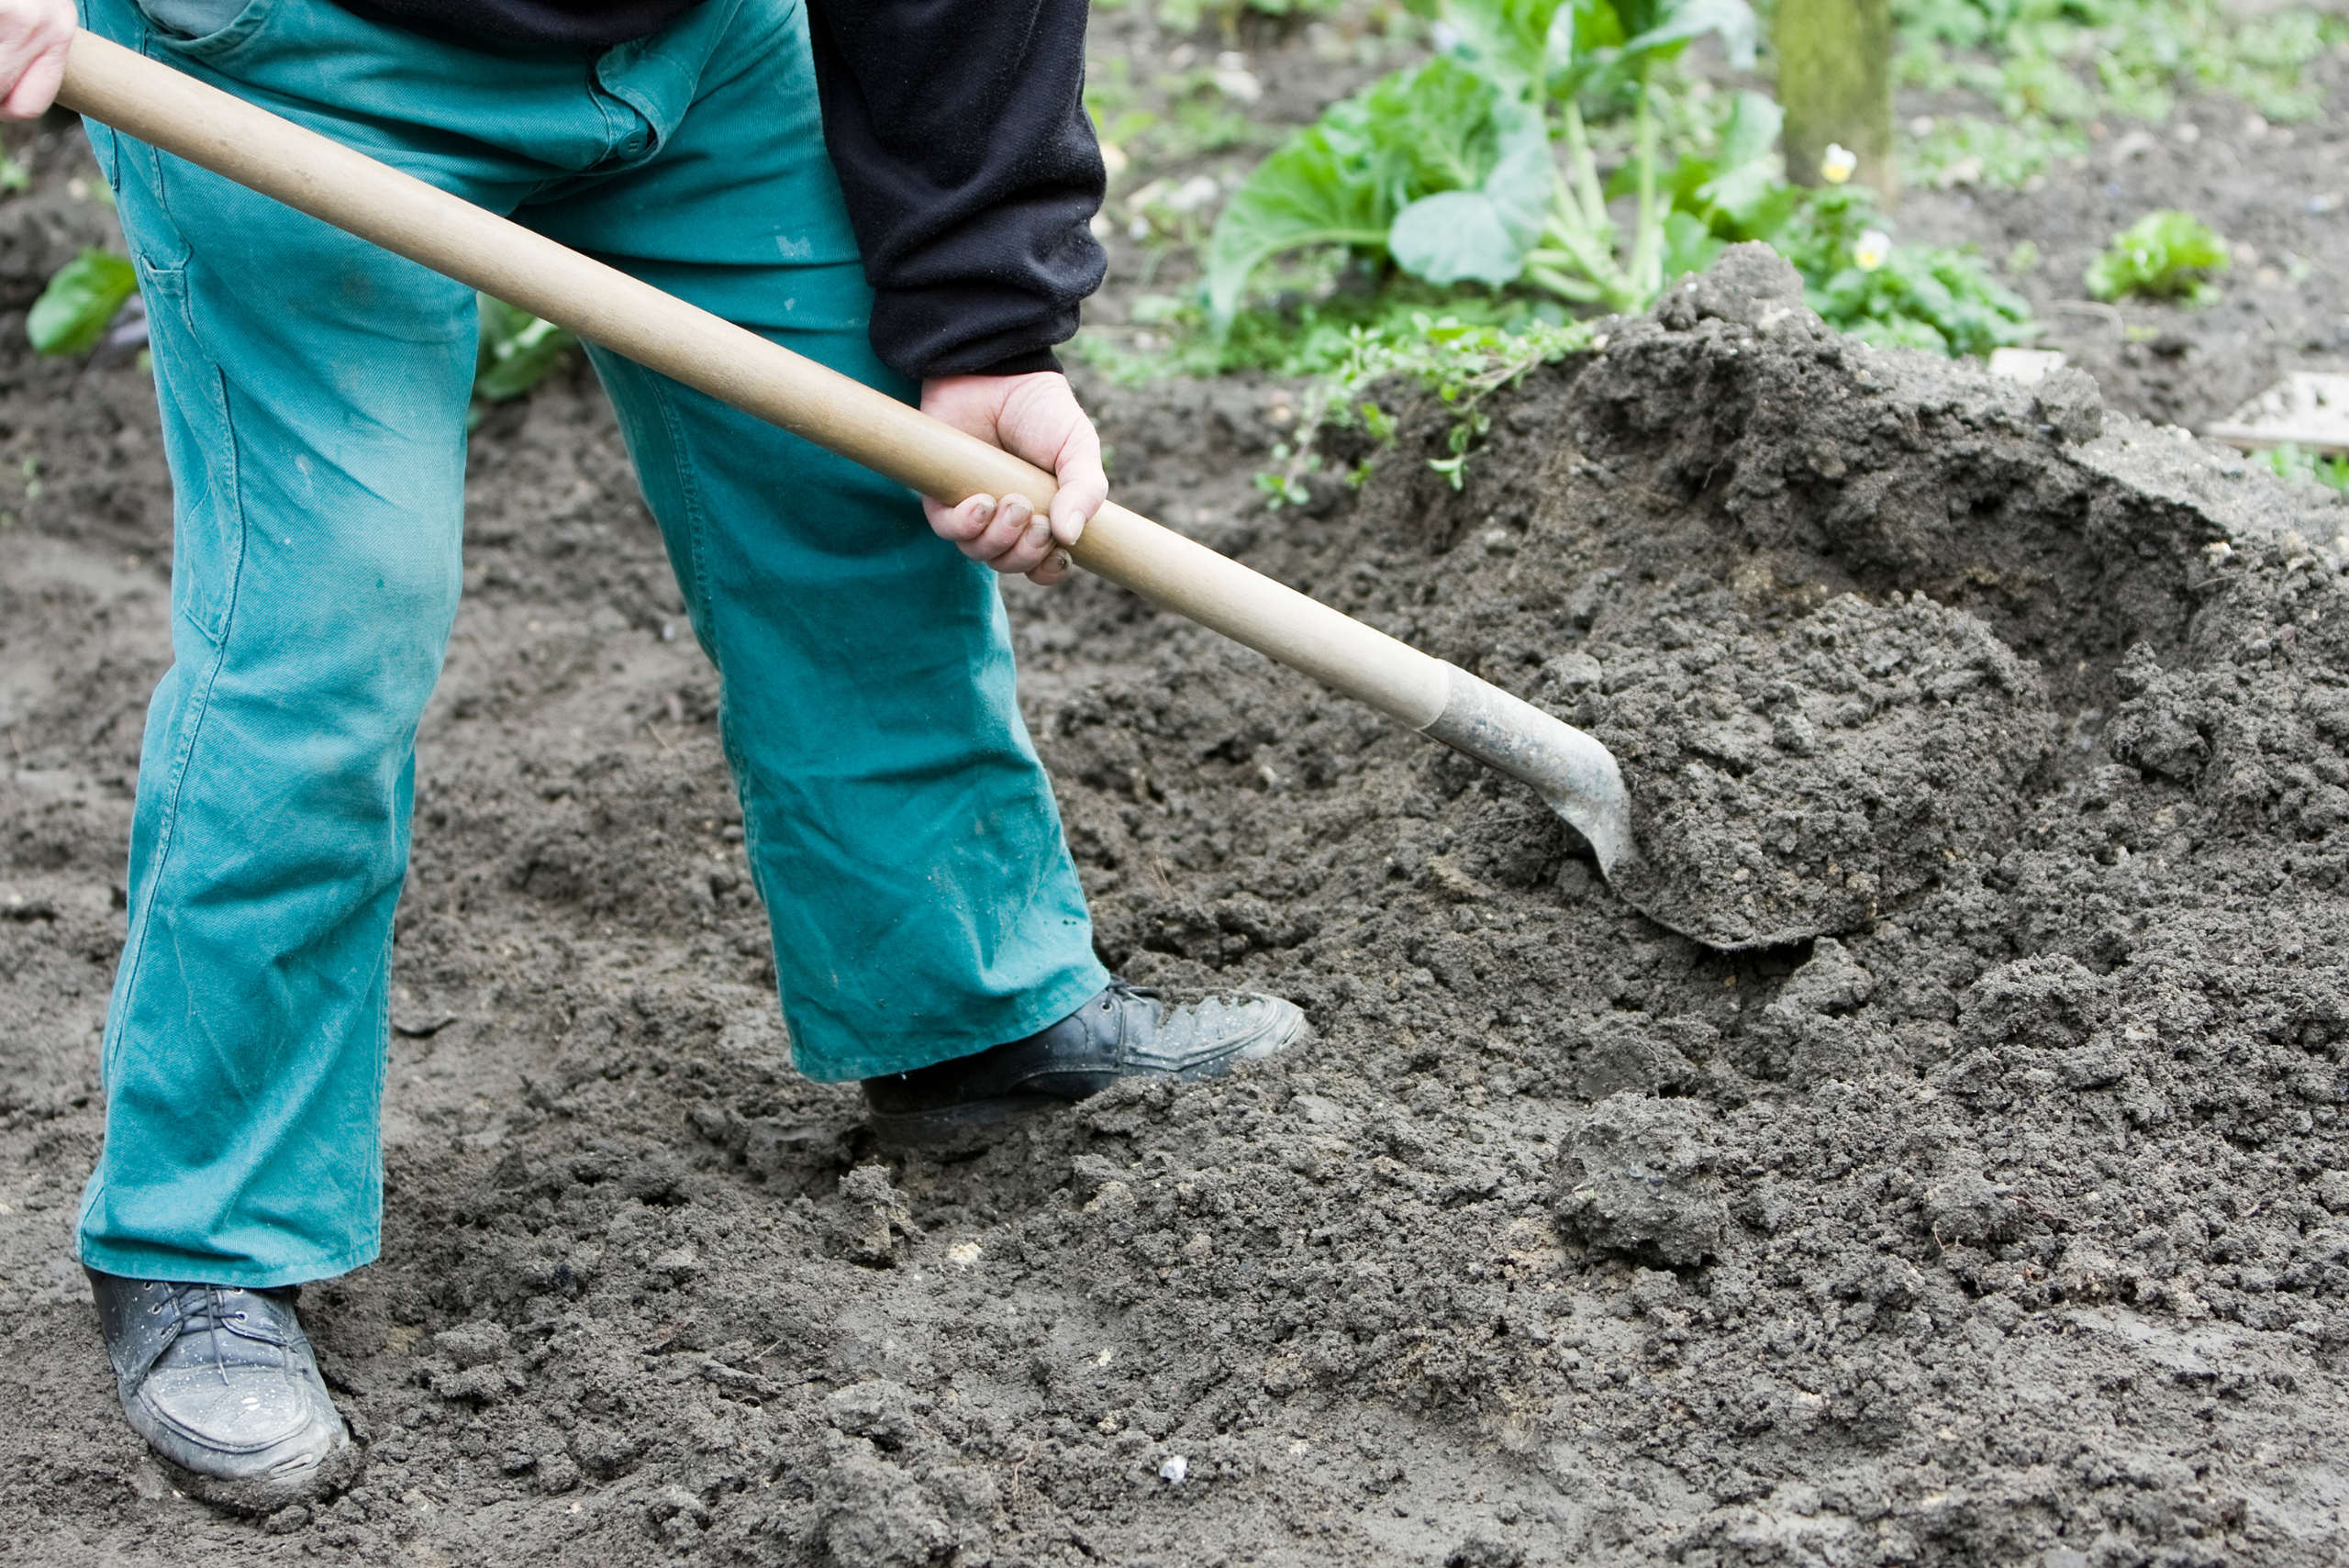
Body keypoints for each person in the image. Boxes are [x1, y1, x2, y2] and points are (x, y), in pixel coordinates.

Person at [0, 0, 1305, 1510]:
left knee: (858, 506)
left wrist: (984, 318)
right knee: (327, 625)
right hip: (293, 51)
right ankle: (202, 1236)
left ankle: (970, 1011)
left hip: (695, 41)